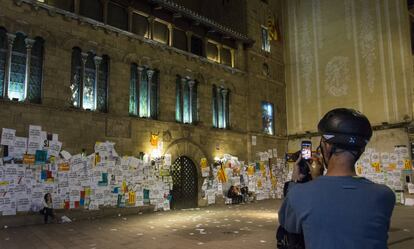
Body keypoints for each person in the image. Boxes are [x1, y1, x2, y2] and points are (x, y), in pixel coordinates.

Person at [278, 108, 395, 249]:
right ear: (362, 150)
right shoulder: (385, 196)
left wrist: (296, 182)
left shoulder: (298, 194)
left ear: (326, 146)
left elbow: (289, 227)